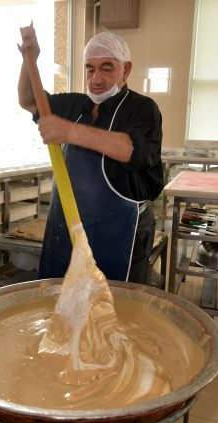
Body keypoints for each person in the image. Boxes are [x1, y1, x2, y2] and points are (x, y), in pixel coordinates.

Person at [18, 25, 163, 284]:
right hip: (67, 230)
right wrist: (29, 60)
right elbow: (29, 100)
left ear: (126, 69)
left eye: (107, 68)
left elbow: (129, 149)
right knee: (62, 302)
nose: (96, 78)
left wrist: (68, 131)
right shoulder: (76, 105)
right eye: (90, 68)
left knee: (116, 310)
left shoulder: (142, 109)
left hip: (119, 235)